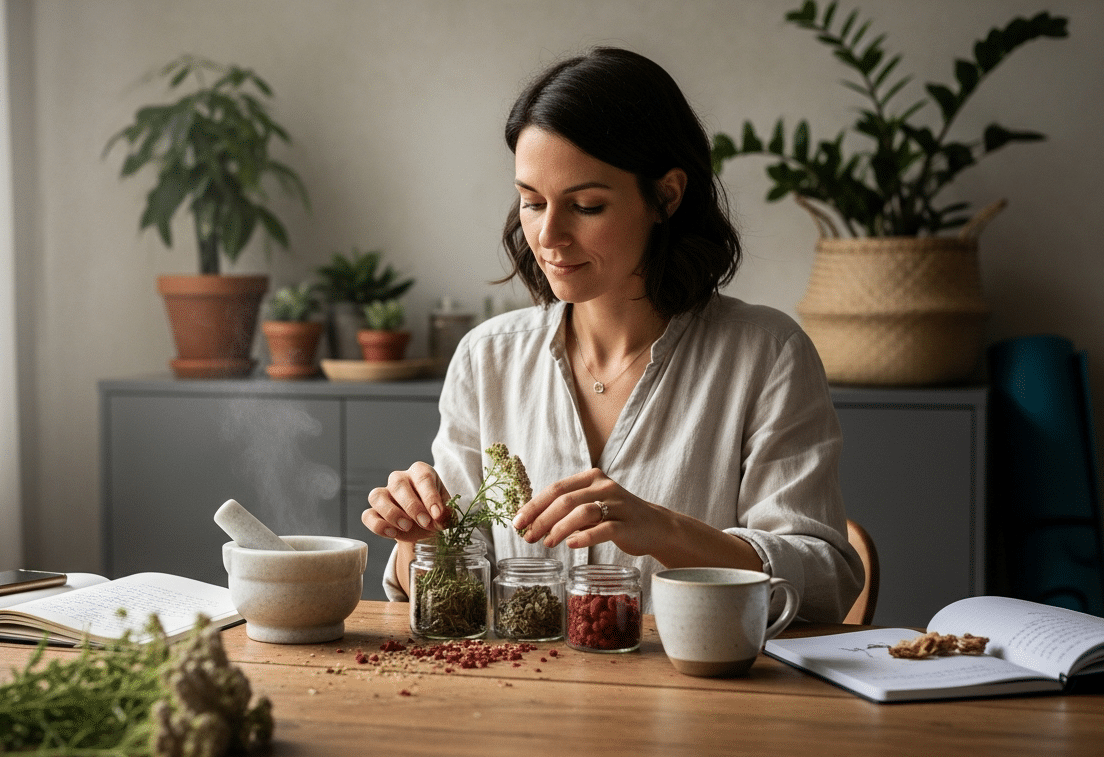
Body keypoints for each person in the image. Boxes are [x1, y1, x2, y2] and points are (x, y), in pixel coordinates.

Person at [362, 47, 863, 621]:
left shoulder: (766, 354)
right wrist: (419, 537)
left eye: (586, 205)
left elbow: (826, 581)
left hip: (700, 698)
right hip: (521, 699)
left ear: (666, 196)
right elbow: (447, 586)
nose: (548, 235)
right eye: (531, 202)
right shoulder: (487, 358)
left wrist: (665, 530)